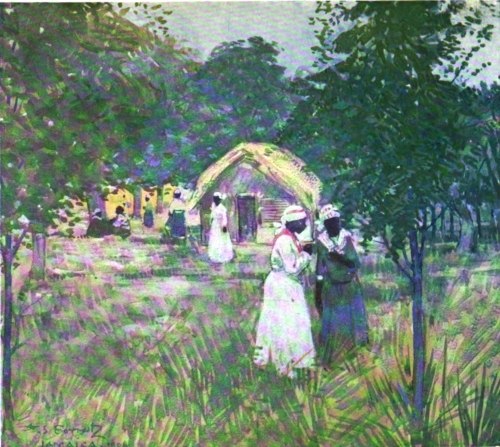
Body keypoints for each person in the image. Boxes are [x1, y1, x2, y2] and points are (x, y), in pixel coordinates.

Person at [254, 205, 316, 378]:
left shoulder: (290, 237)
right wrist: (307, 254)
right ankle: (285, 363)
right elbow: (292, 268)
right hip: (283, 284)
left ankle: (296, 359)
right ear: (293, 223)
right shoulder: (285, 241)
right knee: (284, 322)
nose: (304, 225)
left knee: (292, 321)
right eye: (301, 222)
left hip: (287, 284)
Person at [315, 204, 369, 364]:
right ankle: (332, 357)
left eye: (337, 222)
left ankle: (352, 355)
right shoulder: (322, 242)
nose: (335, 226)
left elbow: (355, 263)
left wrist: (339, 258)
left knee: (352, 320)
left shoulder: (346, 238)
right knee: (333, 322)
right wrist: (318, 288)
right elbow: (320, 266)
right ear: (325, 225)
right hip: (332, 286)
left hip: (348, 285)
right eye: (331, 223)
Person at [207, 192, 234, 263]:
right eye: (215, 199)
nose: (215, 201)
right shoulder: (213, 207)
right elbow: (212, 216)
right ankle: (214, 255)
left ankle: (223, 256)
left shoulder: (222, 208)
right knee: (214, 239)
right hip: (214, 226)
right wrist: (210, 222)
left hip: (220, 226)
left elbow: (224, 218)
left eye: (217, 199)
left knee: (221, 240)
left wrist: (224, 226)